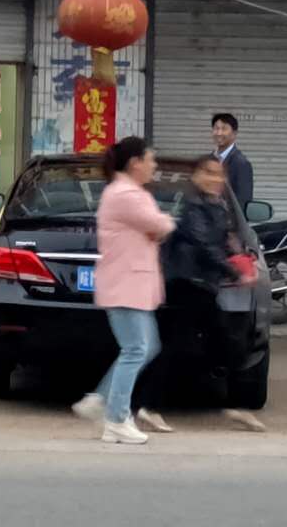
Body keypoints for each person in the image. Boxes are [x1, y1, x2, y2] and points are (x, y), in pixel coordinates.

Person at [138, 155, 265, 434]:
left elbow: (222, 242)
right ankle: (150, 407)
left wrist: (240, 258)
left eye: (219, 174)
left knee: (223, 345)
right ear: (196, 177)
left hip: (203, 286)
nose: (214, 179)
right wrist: (236, 274)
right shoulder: (193, 207)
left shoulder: (217, 206)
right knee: (180, 346)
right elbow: (204, 245)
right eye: (208, 173)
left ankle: (234, 406)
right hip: (186, 284)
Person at [71, 136, 175, 445]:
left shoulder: (126, 193)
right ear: (135, 163)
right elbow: (161, 225)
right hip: (126, 285)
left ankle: (101, 401)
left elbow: (153, 227)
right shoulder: (126, 194)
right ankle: (116, 418)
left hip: (132, 285)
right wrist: (163, 223)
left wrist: (156, 227)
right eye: (150, 160)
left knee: (146, 347)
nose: (154, 166)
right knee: (136, 350)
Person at [212, 112, 254, 206]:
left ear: (234, 133)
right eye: (216, 128)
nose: (219, 133)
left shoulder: (241, 163)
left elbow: (243, 202)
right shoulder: (208, 160)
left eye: (224, 129)